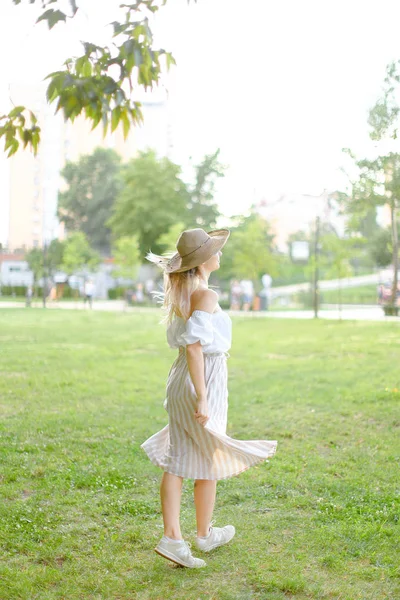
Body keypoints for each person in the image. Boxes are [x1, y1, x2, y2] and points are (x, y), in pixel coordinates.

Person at [141, 227, 278, 569]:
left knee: (195, 452)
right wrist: (202, 396)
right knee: (188, 455)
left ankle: (203, 534)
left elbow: (190, 346)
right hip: (201, 377)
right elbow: (194, 346)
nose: (220, 254)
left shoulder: (185, 294)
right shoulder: (206, 296)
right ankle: (174, 538)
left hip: (186, 376)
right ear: (202, 261)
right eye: (215, 250)